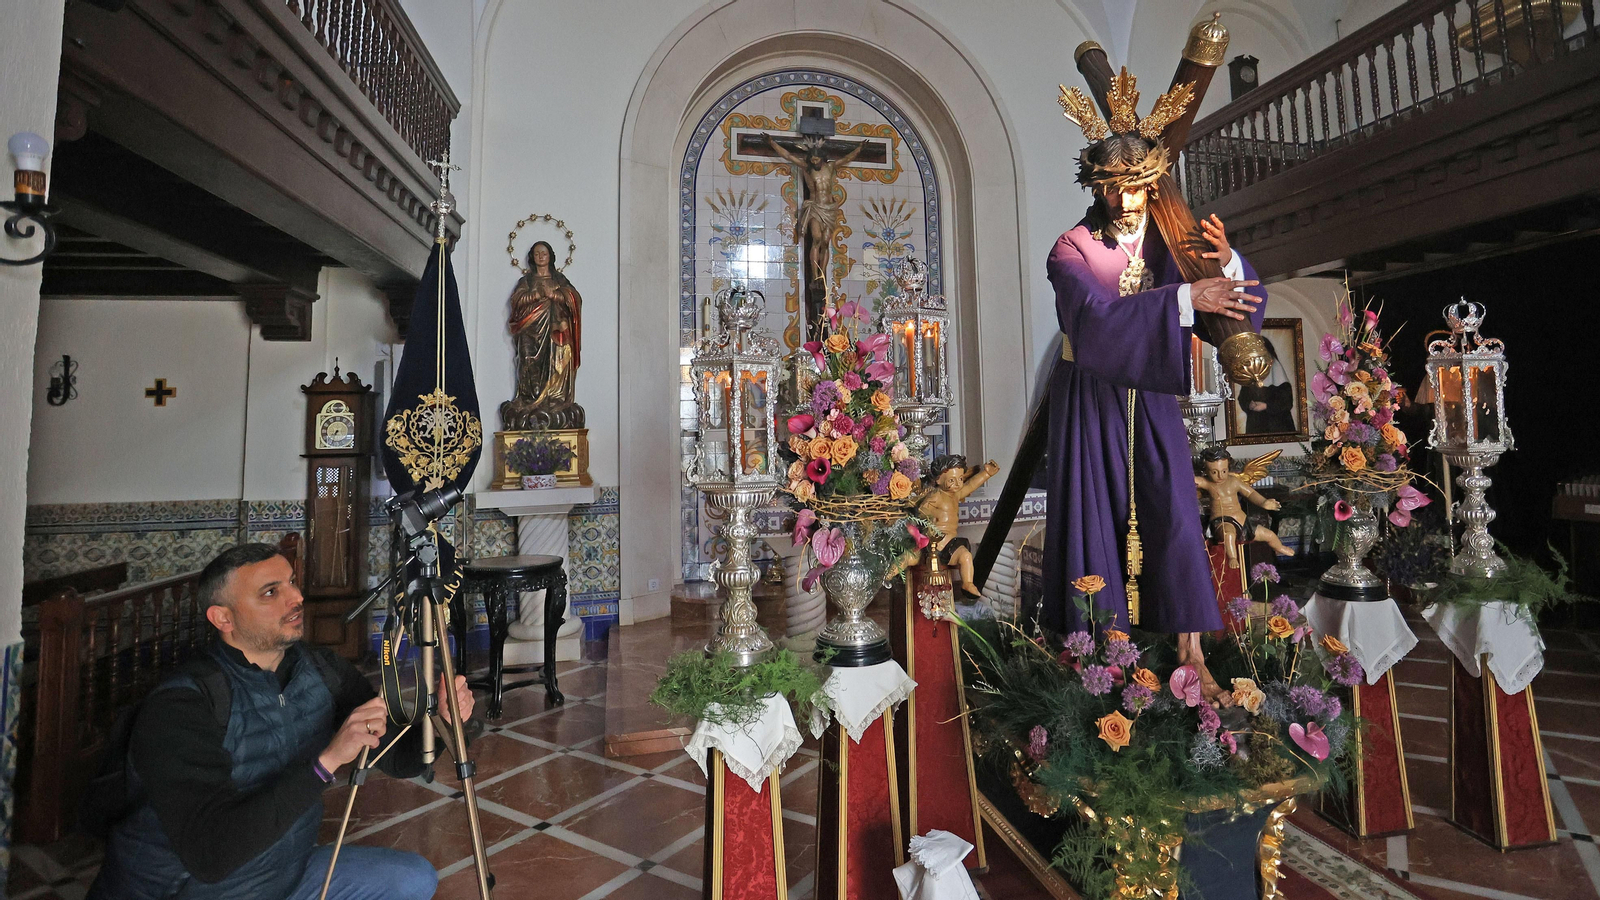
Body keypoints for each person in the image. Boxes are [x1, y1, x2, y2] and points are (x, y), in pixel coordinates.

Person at [1045, 72, 1267, 705]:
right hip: (1092, 399)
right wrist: (1181, 298)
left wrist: (1223, 263)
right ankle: (1103, 660)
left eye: (1138, 186)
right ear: (1095, 186)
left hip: (1156, 400)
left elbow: (1231, 298)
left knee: (1172, 506)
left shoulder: (1171, 236)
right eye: (1112, 188)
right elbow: (1091, 320)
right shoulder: (1072, 248)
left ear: (1153, 181)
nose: (1126, 201)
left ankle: (1191, 656)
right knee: (1097, 512)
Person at [88, 543, 475, 900]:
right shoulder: (183, 705)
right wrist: (325, 763)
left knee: (412, 879)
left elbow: (402, 759)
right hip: (188, 891)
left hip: (283, 877)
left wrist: (442, 721)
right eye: (271, 593)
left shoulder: (322, 672)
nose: (296, 598)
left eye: (291, 583)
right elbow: (211, 857)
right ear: (223, 617)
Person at [502, 240, 584, 430]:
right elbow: (517, 301)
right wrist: (537, 295)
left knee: (558, 361)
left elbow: (574, 298)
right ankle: (529, 397)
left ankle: (555, 398)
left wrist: (555, 295)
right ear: (532, 257)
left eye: (544, 253)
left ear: (550, 256)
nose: (540, 256)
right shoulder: (527, 281)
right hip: (530, 330)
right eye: (537, 253)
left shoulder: (559, 279)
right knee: (528, 360)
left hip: (555, 331)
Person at [917, 455, 1001, 598]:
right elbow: (920, 513)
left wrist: (986, 474)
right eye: (951, 480)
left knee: (966, 556)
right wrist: (928, 525)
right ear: (938, 480)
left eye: (960, 479)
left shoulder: (954, 495)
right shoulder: (936, 496)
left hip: (951, 543)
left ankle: (967, 583)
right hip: (936, 544)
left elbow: (970, 486)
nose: (957, 484)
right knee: (932, 578)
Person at [1195, 446, 1295, 566]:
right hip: (1221, 521)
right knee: (1229, 535)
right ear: (1206, 470)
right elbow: (1188, 479)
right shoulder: (1206, 483)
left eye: (1224, 471)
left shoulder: (1234, 481)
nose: (1220, 476)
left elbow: (1250, 493)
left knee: (1268, 534)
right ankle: (1232, 557)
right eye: (1214, 472)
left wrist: (1264, 502)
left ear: (1228, 468)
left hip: (1242, 520)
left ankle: (1279, 547)